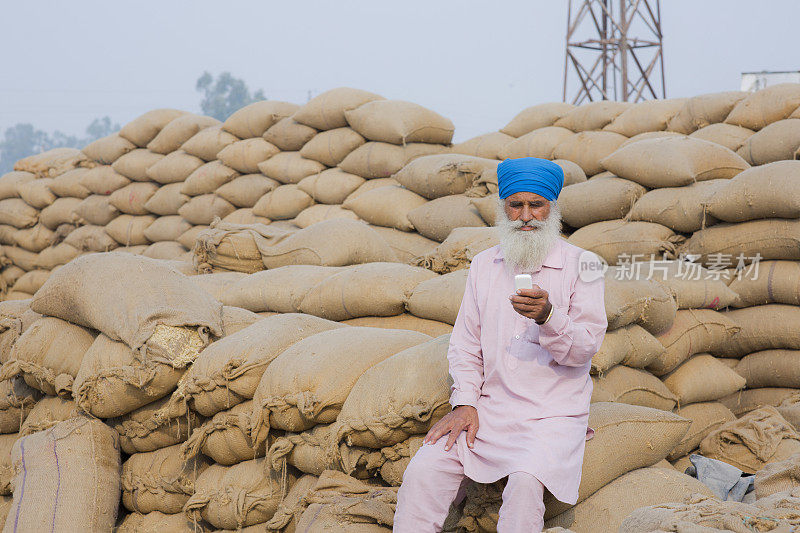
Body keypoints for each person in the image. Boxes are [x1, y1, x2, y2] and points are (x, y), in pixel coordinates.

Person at [393, 157, 608, 532]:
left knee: (525, 486)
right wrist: (464, 403)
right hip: (489, 410)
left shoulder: (584, 265)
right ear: (503, 208)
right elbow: (464, 344)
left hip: (550, 415)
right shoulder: (483, 265)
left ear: (552, 209)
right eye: (516, 205)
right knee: (426, 467)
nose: (526, 216)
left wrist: (548, 317)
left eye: (536, 205)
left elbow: (585, 350)